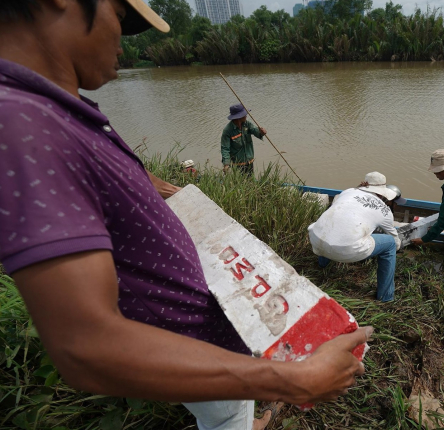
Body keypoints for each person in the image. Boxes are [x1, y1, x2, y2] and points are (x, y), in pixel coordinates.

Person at [0, 1, 371, 430]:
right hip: (180, 346)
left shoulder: (62, 110)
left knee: (230, 412)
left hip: (206, 334)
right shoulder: (21, 123)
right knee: (225, 416)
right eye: (120, 18)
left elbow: (106, 177)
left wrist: (164, 191)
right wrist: (293, 380)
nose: (124, 43)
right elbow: (87, 346)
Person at [308, 172, 405, 302]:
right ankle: (386, 296)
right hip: (346, 251)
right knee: (390, 244)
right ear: (383, 192)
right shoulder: (384, 210)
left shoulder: (347, 192)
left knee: (332, 225)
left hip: (315, 239)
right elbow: (394, 240)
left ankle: (322, 265)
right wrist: (397, 246)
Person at [221, 104, 266, 176]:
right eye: (244, 114)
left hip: (249, 162)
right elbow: (225, 149)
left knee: (250, 182)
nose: (246, 115)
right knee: (239, 184)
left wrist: (261, 132)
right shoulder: (228, 130)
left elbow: (255, 131)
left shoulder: (247, 124)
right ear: (238, 117)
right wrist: (226, 164)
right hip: (237, 165)